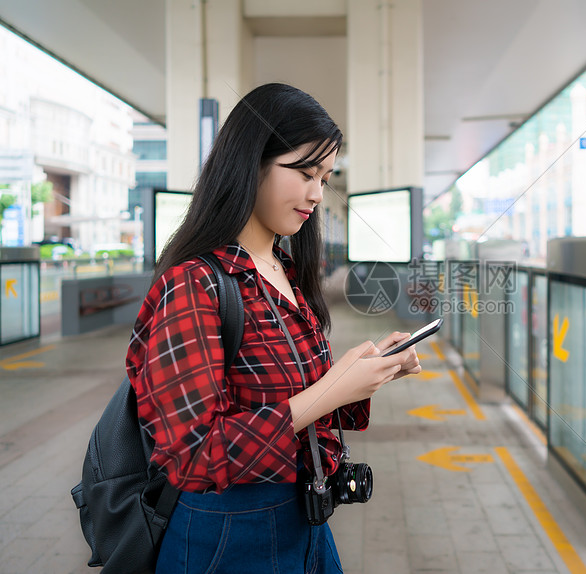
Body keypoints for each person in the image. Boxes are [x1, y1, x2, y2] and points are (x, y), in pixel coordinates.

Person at [126, 83, 421, 574]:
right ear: (249, 162)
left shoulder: (285, 269)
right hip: (226, 537)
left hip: (304, 522)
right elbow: (196, 455)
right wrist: (331, 390)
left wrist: (366, 374)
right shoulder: (194, 285)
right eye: (305, 172)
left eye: (325, 178)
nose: (316, 194)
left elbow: (300, 399)